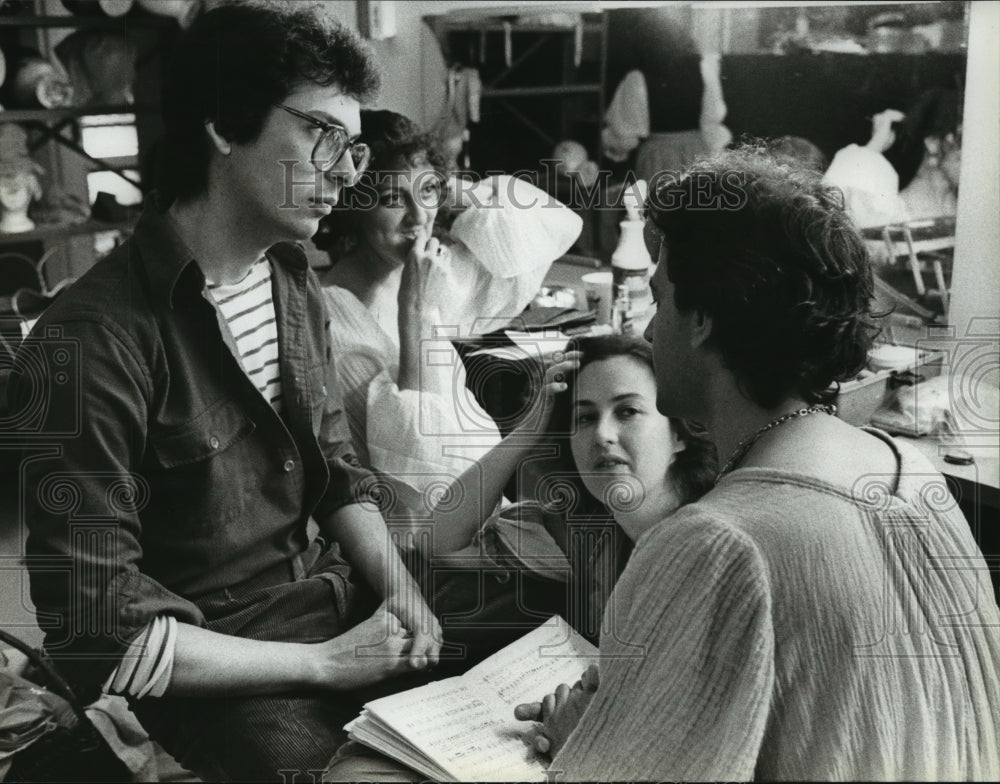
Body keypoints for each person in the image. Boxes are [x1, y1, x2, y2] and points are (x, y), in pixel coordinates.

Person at [9, 5, 442, 781]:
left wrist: (403, 593)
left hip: (330, 599)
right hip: (222, 663)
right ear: (221, 127)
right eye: (323, 135)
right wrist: (321, 666)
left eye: (355, 144)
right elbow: (95, 630)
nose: (348, 171)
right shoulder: (86, 342)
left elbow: (336, 468)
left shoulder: (289, 277)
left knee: (543, 659)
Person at [516, 147, 1000, 780]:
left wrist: (588, 736)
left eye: (661, 302)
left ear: (703, 321)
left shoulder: (715, 541)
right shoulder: (912, 469)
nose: (651, 327)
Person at [314, 109, 582, 529]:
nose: (418, 218)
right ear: (352, 205)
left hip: (476, 511)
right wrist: (415, 311)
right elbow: (417, 474)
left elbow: (555, 222)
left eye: (427, 193)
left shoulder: (429, 273)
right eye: (390, 198)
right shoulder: (332, 320)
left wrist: (454, 190)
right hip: (420, 536)